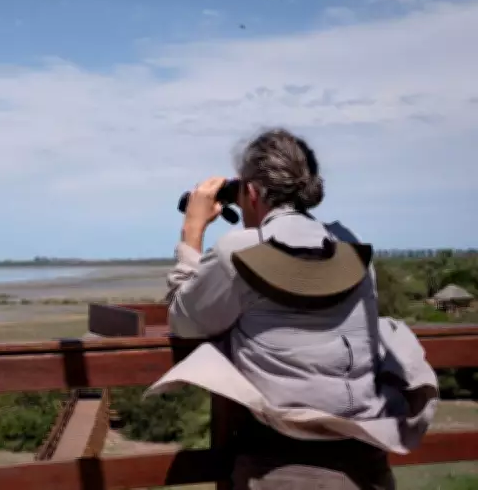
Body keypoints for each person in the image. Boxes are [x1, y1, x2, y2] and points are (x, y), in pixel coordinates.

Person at [165, 129, 437, 489]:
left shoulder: (239, 252)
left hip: (281, 464)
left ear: (250, 193)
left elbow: (184, 322)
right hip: (366, 459)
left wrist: (192, 229)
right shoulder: (352, 250)